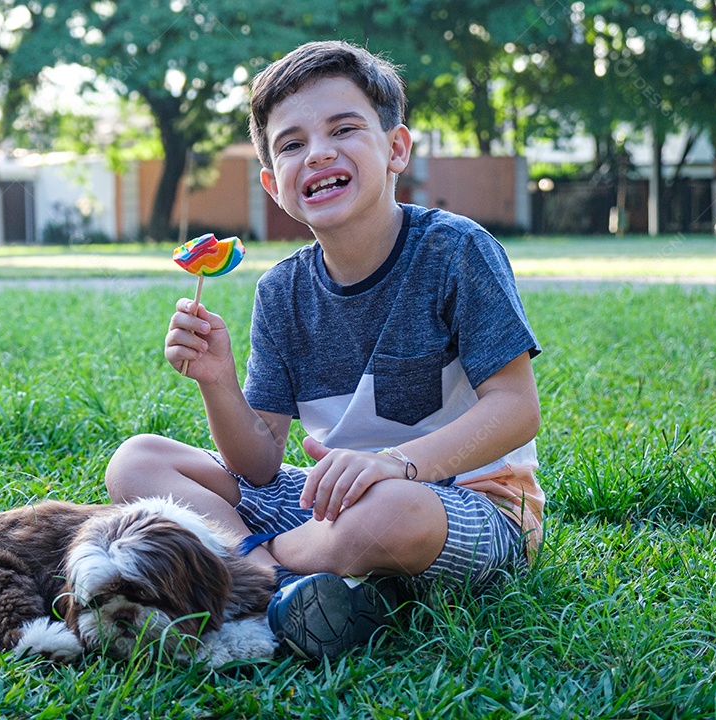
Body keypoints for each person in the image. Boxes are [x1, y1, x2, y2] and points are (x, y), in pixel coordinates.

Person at [105, 39, 545, 660]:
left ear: (396, 148)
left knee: (388, 513)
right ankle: (299, 584)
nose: (318, 153)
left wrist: (396, 462)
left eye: (344, 128)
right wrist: (216, 380)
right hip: (326, 501)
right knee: (137, 460)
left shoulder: (455, 252)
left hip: (463, 502)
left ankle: (249, 576)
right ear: (273, 183)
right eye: (291, 144)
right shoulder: (282, 290)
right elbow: (258, 465)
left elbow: (515, 409)